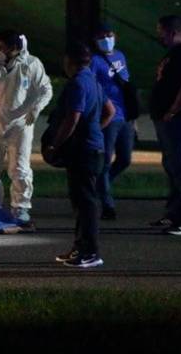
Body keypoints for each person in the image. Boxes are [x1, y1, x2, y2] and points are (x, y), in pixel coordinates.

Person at [44, 42, 115, 269]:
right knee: (82, 202)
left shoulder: (77, 84)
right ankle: (80, 247)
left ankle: (90, 252)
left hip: (83, 151)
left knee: (85, 203)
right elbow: (110, 112)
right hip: (94, 148)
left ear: (69, 61)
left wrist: (55, 145)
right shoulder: (93, 81)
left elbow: (72, 117)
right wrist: (94, 129)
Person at [0, 30, 52, 226]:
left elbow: (45, 89)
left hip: (19, 125)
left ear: (15, 48)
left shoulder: (31, 64)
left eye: (3, 47)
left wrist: (36, 108)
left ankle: (20, 208)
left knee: (19, 167)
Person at [91, 22, 135, 220]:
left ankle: (101, 185)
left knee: (125, 159)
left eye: (109, 35)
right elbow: (91, 87)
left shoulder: (120, 56)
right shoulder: (95, 61)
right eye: (102, 36)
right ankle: (108, 204)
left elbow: (126, 85)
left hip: (124, 115)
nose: (106, 39)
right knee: (106, 160)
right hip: (108, 115)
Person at [149, 15, 181, 235]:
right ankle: (173, 214)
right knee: (172, 167)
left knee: (180, 168)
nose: (159, 35)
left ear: (172, 31)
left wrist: (173, 109)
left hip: (176, 120)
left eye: (160, 30)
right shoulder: (173, 54)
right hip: (165, 118)